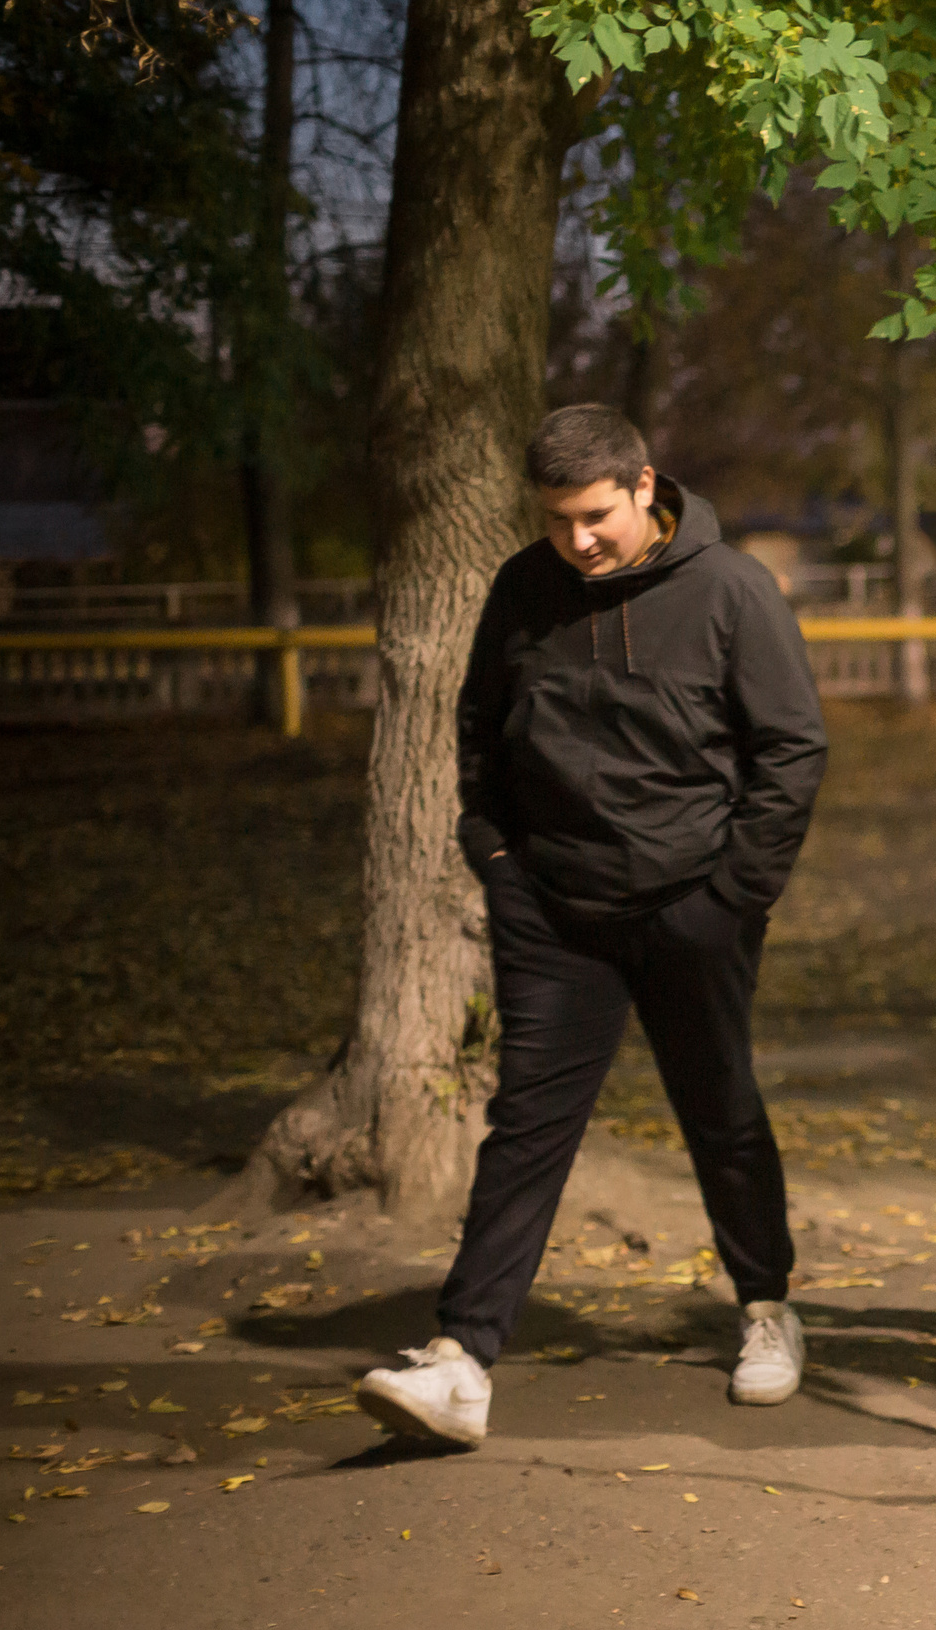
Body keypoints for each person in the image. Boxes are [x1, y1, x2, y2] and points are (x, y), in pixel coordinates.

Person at [358, 404, 829, 1448]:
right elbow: (477, 729)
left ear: (645, 486)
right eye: (559, 518)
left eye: (596, 516)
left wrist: (730, 900)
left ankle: (765, 1307)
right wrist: (496, 861)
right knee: (527, 1125)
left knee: (722, 1111)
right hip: (554, 912)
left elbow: (792, 751)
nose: (579, 539)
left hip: (692, 909)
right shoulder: (523, 589)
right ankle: (462, 1358)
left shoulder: (730, 591)